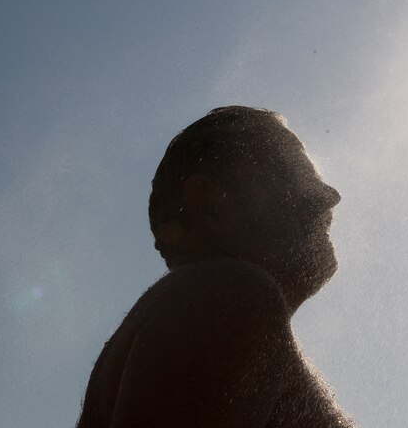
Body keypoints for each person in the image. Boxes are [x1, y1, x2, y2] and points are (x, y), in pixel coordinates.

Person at [76, 106, 356, 427]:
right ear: (211, 202)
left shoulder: (208, 307)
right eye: (290, 172)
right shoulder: (227, 295)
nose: (328, 195)